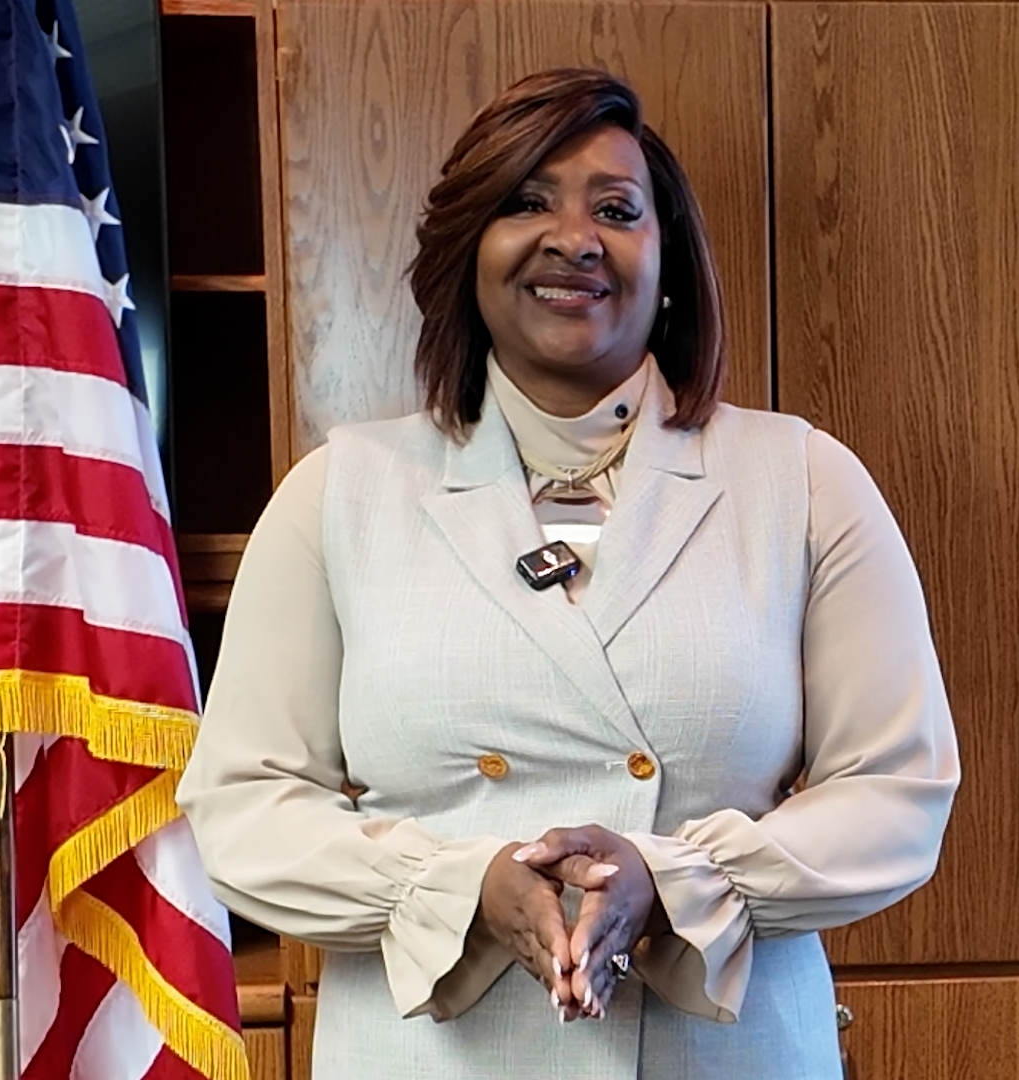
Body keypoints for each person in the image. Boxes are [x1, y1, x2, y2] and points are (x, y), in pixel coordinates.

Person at [176, 68, 960, 1079]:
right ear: (470, 254)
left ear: (665, 258)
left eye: (617, 209)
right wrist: (461, 887)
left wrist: (673, 880)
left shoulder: (805, 481)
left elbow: (897, 792)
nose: (575, 237)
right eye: (528, 203)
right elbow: (241, 806)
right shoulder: (339, 494)